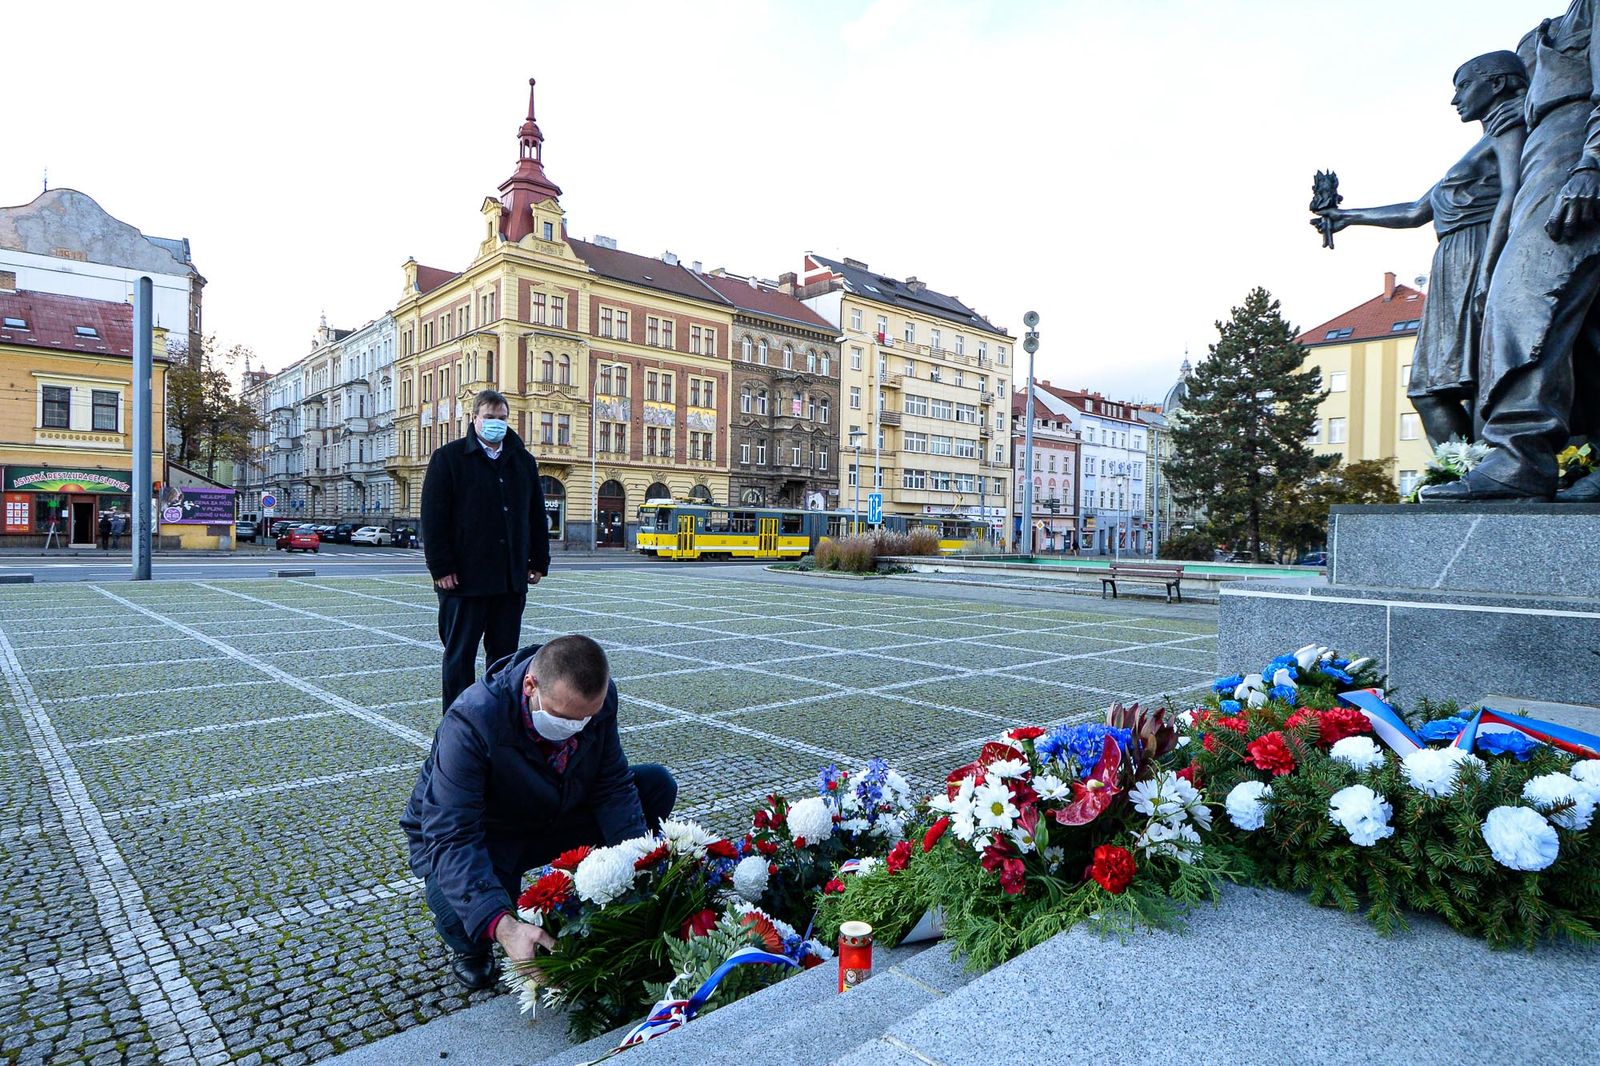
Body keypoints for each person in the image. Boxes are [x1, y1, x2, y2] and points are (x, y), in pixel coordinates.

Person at [401, 635, 677, 990]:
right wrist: (504, 925)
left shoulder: (597, 699)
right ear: (530, 686)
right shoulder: (472, 721)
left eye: (586, 719)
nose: (576, 729)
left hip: (551, 809)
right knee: (468, 912)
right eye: (565, 719)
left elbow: (611, 785)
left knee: (655, 785)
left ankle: (591, 892)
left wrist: (639, 864)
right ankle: (472, 948)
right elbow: (452, 834)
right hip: (486, 832)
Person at [1314, 51, 1529, 448]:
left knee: (1480, 377)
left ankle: (1492, 474)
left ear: (1497, 83)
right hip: (1452, 261)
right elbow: (1416, 211)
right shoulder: (1481, 144)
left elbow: (1514, 196)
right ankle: (1464, 470)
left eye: (1463, 86)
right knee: (1430, 386)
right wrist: (1348, 216)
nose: (1456, 99)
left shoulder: (1511, 126)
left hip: (1482, 250)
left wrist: (1490, 269)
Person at [1427, 7, 1600, 500]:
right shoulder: (1545, 30)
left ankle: (1518, 456)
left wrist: (1593, 160)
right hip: (1548, 150)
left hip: (1574, 144)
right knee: (1584, 324)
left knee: (1527, 294)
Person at [422, 389, 550, 711]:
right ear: (474, 418)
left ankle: (499, 717)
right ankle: (458, 720)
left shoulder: (522, 460)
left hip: (509, 578)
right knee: (459, 656)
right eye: (490, 417)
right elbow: (433, 517)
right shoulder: (449, 458)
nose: (497, 423)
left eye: (502, 418)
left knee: (505, 657)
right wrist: (441, 567)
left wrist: (539, 559)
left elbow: (536, 513)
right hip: (464, 580)